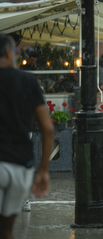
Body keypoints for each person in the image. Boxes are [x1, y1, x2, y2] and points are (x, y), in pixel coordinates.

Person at [0, 33, 55, 239]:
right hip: (19, 164)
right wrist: (43, 170)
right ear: (8, 52)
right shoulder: (27, 81)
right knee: (7, 230)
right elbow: (48, 129)